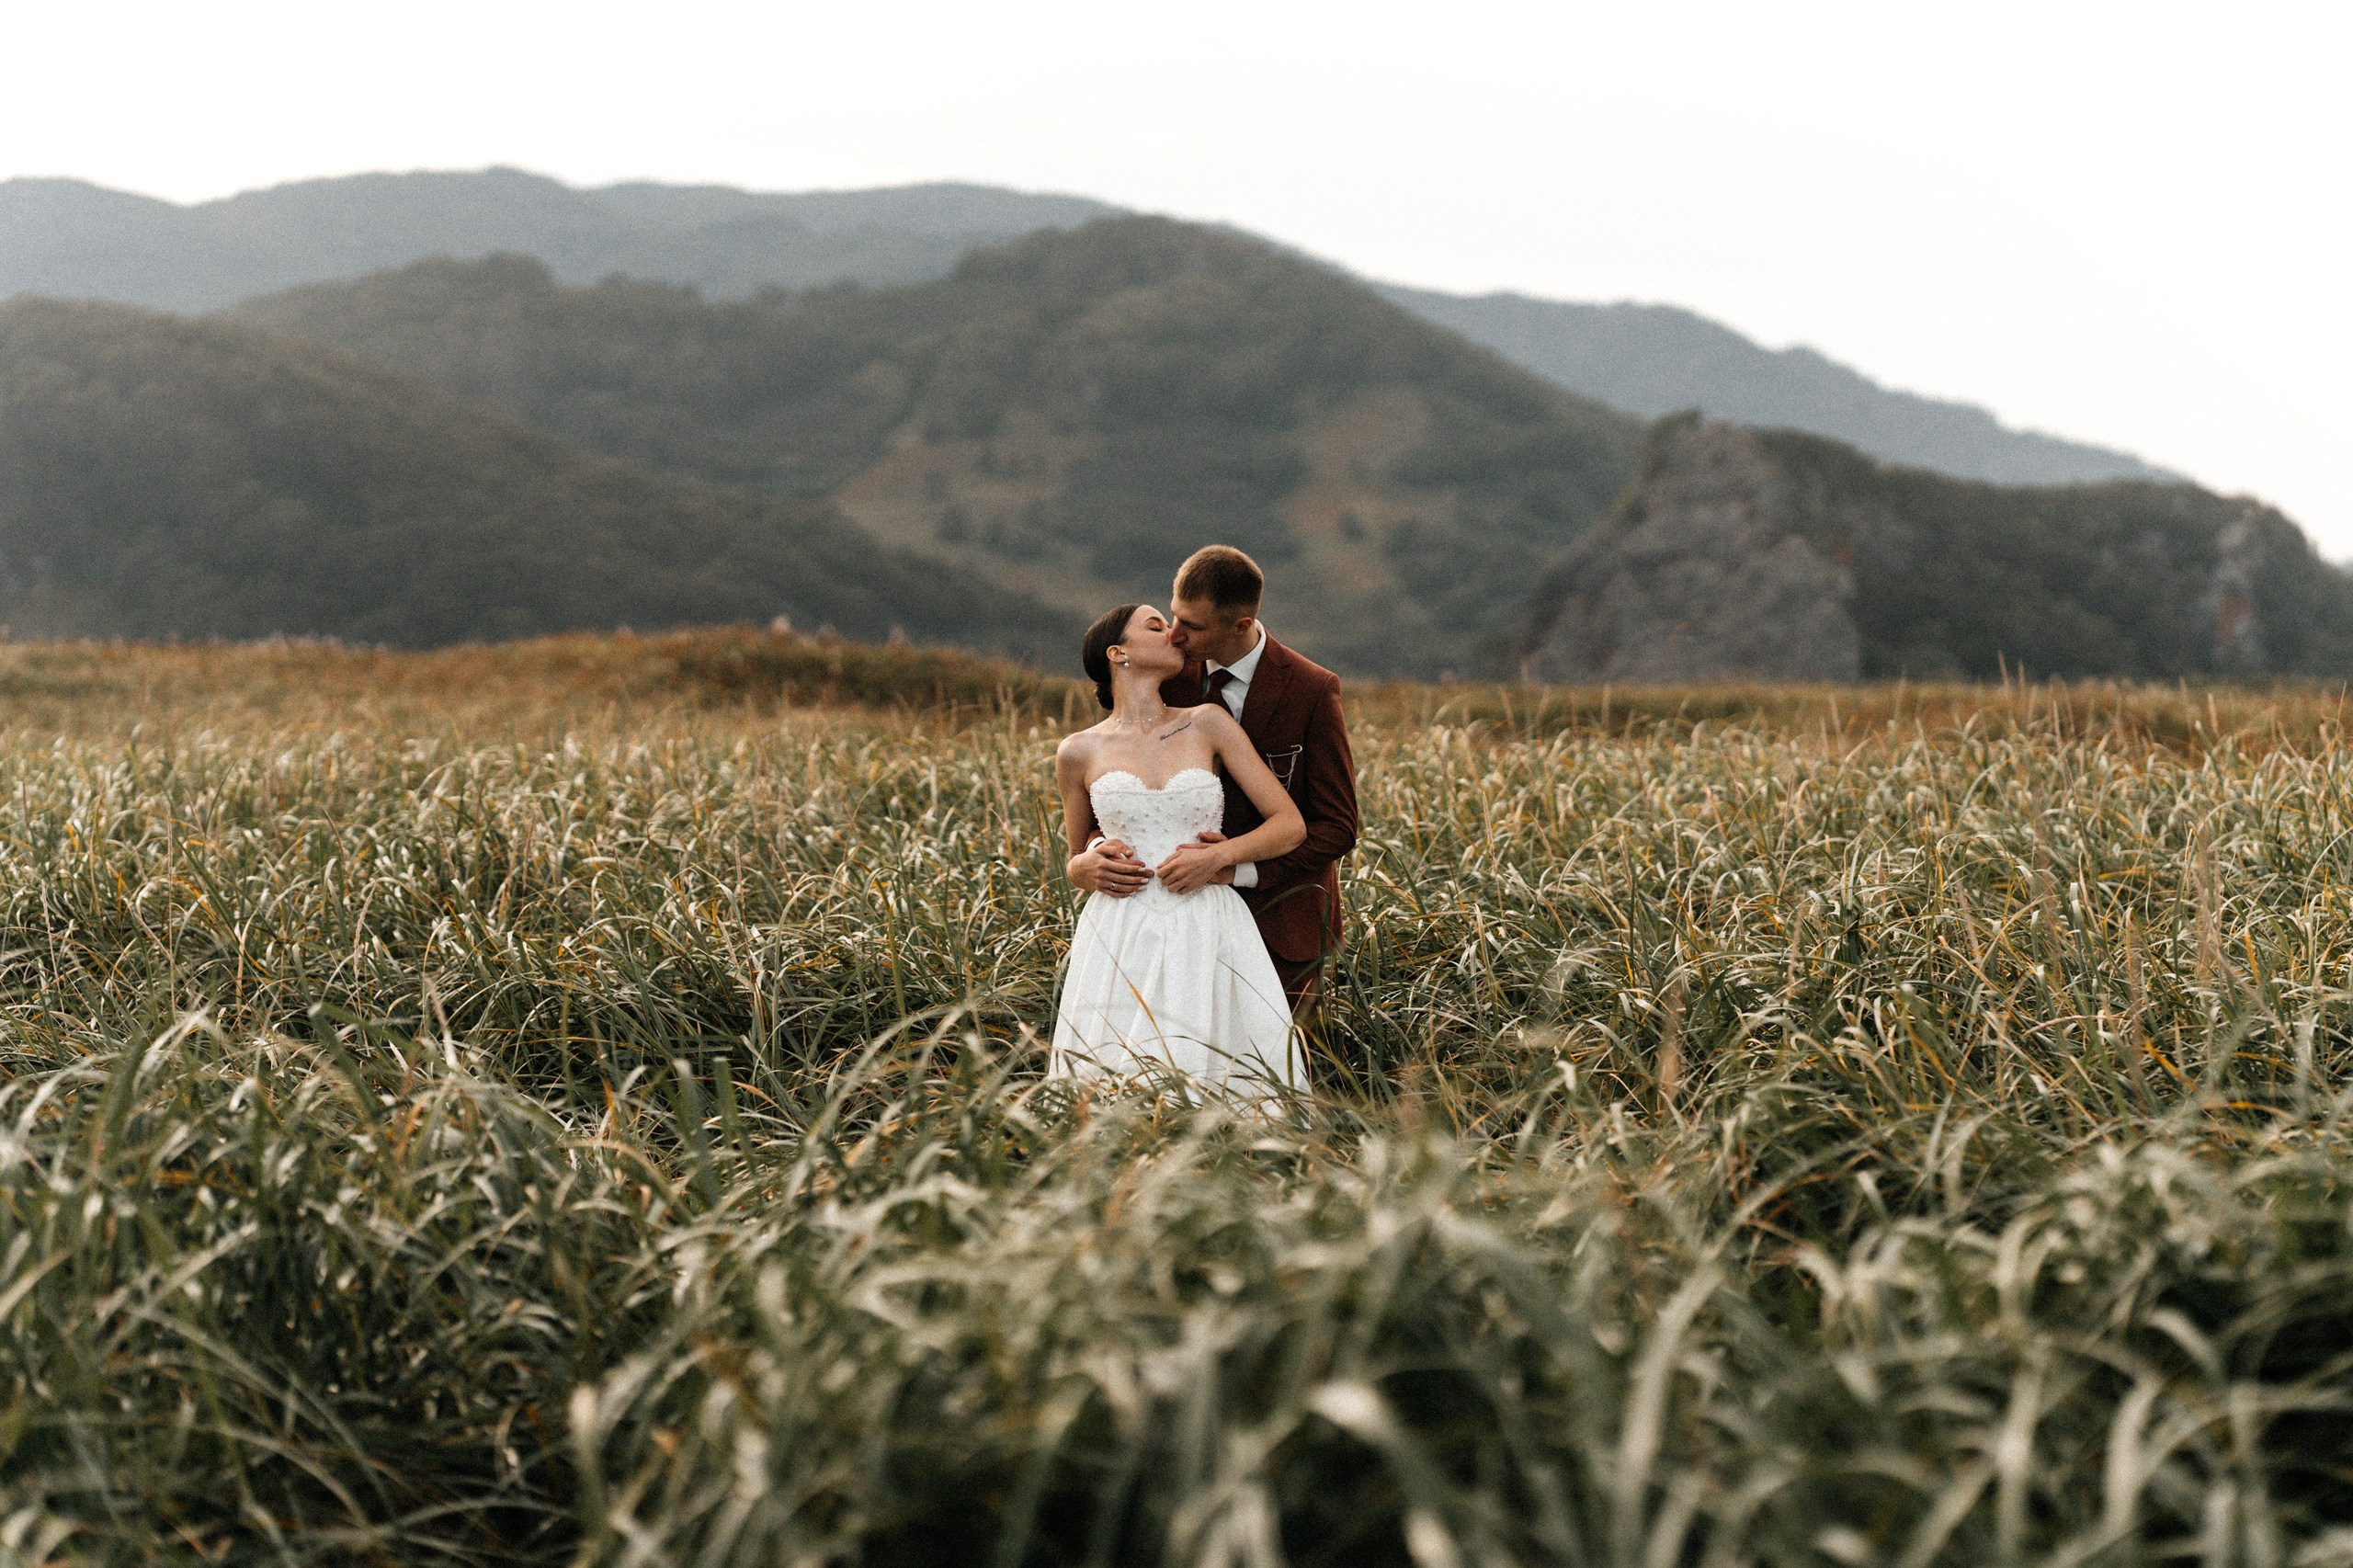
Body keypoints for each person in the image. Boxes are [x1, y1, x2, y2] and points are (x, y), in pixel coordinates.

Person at [1068, 546, 1361, 1083]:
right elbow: (1116, 788)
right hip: (1144, 924)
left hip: (1282, 916)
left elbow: (1337, 826)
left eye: (1192, 626)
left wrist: (1231, 865)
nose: (1176, 635)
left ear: (1240, 625)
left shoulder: (1311, 689)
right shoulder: (1168, 675)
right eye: (1171, 618)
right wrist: (1089, 855)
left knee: (1266, 1076)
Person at [1050, 603, 1308, 1097]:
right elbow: (1076, 856)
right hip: (1120, 929)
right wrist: (1083, 868)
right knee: (1117, 1081)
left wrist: (1220, 856)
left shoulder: (1208, 723)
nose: (1173, 633)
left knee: (1226, 1076)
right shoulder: (1077, 751)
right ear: (1117, 653)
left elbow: (1289, 825)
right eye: (1156, 625)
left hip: (1207, 920)